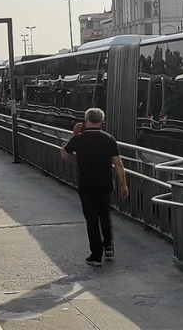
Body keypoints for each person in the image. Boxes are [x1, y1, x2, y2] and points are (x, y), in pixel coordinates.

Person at [60, 108, 128, 266]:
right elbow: (118, 164)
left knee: (91, 219)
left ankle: (96, 255)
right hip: (105, 183)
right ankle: (109, 246)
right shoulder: (109, 139)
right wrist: (123, 184)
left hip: (86, 184)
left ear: (86, 121)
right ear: (102, 121)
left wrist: (73, 135)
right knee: (104, 214)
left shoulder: (79, 139)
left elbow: (64, 155)